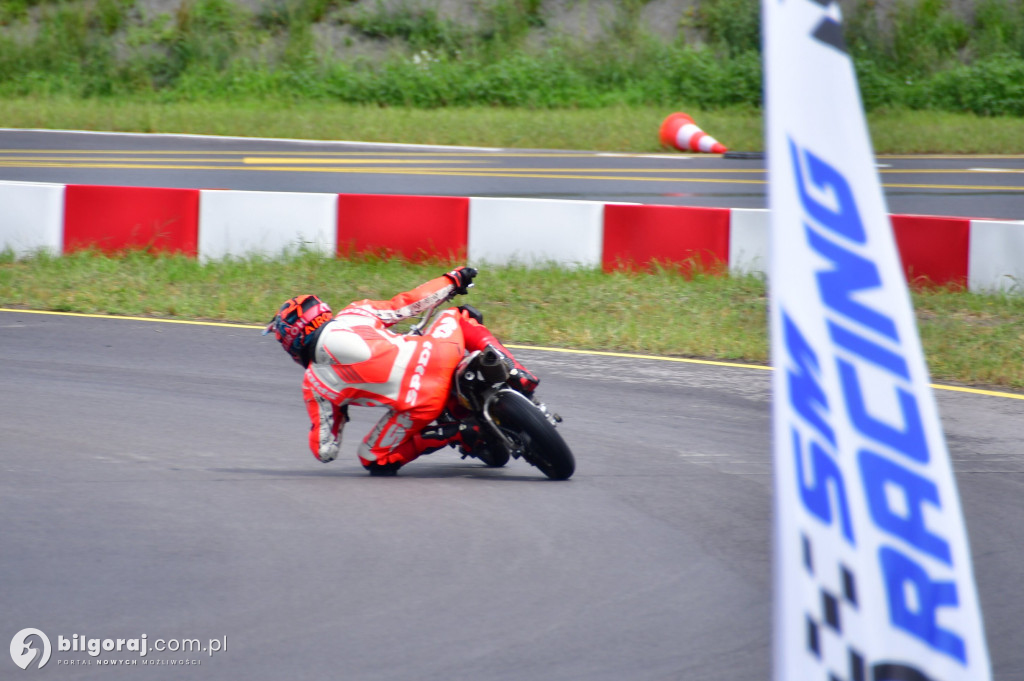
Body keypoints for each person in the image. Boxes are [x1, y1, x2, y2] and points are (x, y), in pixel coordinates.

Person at [264, 267, 539, 476]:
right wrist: (453, 279)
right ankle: (516, 371)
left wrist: (339, 414)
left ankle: (459, 431)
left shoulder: (314, 383)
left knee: (372, 458)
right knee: (457, 316)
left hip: (421, 404)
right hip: (440, 353)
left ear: (292, 342)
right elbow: (408, 303)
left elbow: (325, 450)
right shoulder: (354, 313)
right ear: (322, 311)